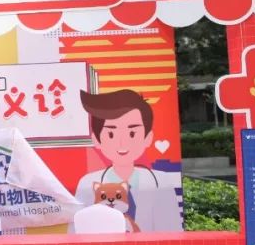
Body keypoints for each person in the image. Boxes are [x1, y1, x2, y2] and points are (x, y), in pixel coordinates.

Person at [73, 89, 181, 231]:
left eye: (132, 133)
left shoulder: (161, 181)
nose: (122, 143)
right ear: (97, 140)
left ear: (148, 137)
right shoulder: (88, 183)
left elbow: (172, 230)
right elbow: (77, 230)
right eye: (111, 134)